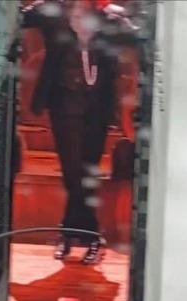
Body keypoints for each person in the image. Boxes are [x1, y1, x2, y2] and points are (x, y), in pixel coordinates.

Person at [20, 0, 136, 265]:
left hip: (97, 107)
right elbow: (14, 20)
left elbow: (141, 35)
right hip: (64, 103)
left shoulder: (109, 18)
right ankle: (92, 235)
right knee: (73, 171)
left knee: (88, 170)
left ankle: (70, 233)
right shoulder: (52, 12)